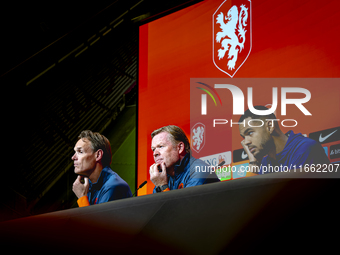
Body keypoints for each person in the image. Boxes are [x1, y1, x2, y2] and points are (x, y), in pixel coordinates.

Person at [238, 106, 330, 174]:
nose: (246, 142)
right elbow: (250, 197)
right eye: (243, 137)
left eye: (250, 133)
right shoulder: (265, 162)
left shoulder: (304, 149)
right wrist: (254, 163)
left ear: (270, 126)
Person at [149, 125, 220, 193]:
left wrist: (162, 186)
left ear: (180, 148)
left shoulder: (199, 170)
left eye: (161, 146)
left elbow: (186, 205)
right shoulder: (162, 177)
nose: (155, 153)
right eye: (153, 149)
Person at [72, 130, 132, 207]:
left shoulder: (113, 186)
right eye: (75, 152)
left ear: (98, 155)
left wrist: (82, 198)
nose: (73, 157)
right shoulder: (89, 186)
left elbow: (96, 219)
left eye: (80, 152)